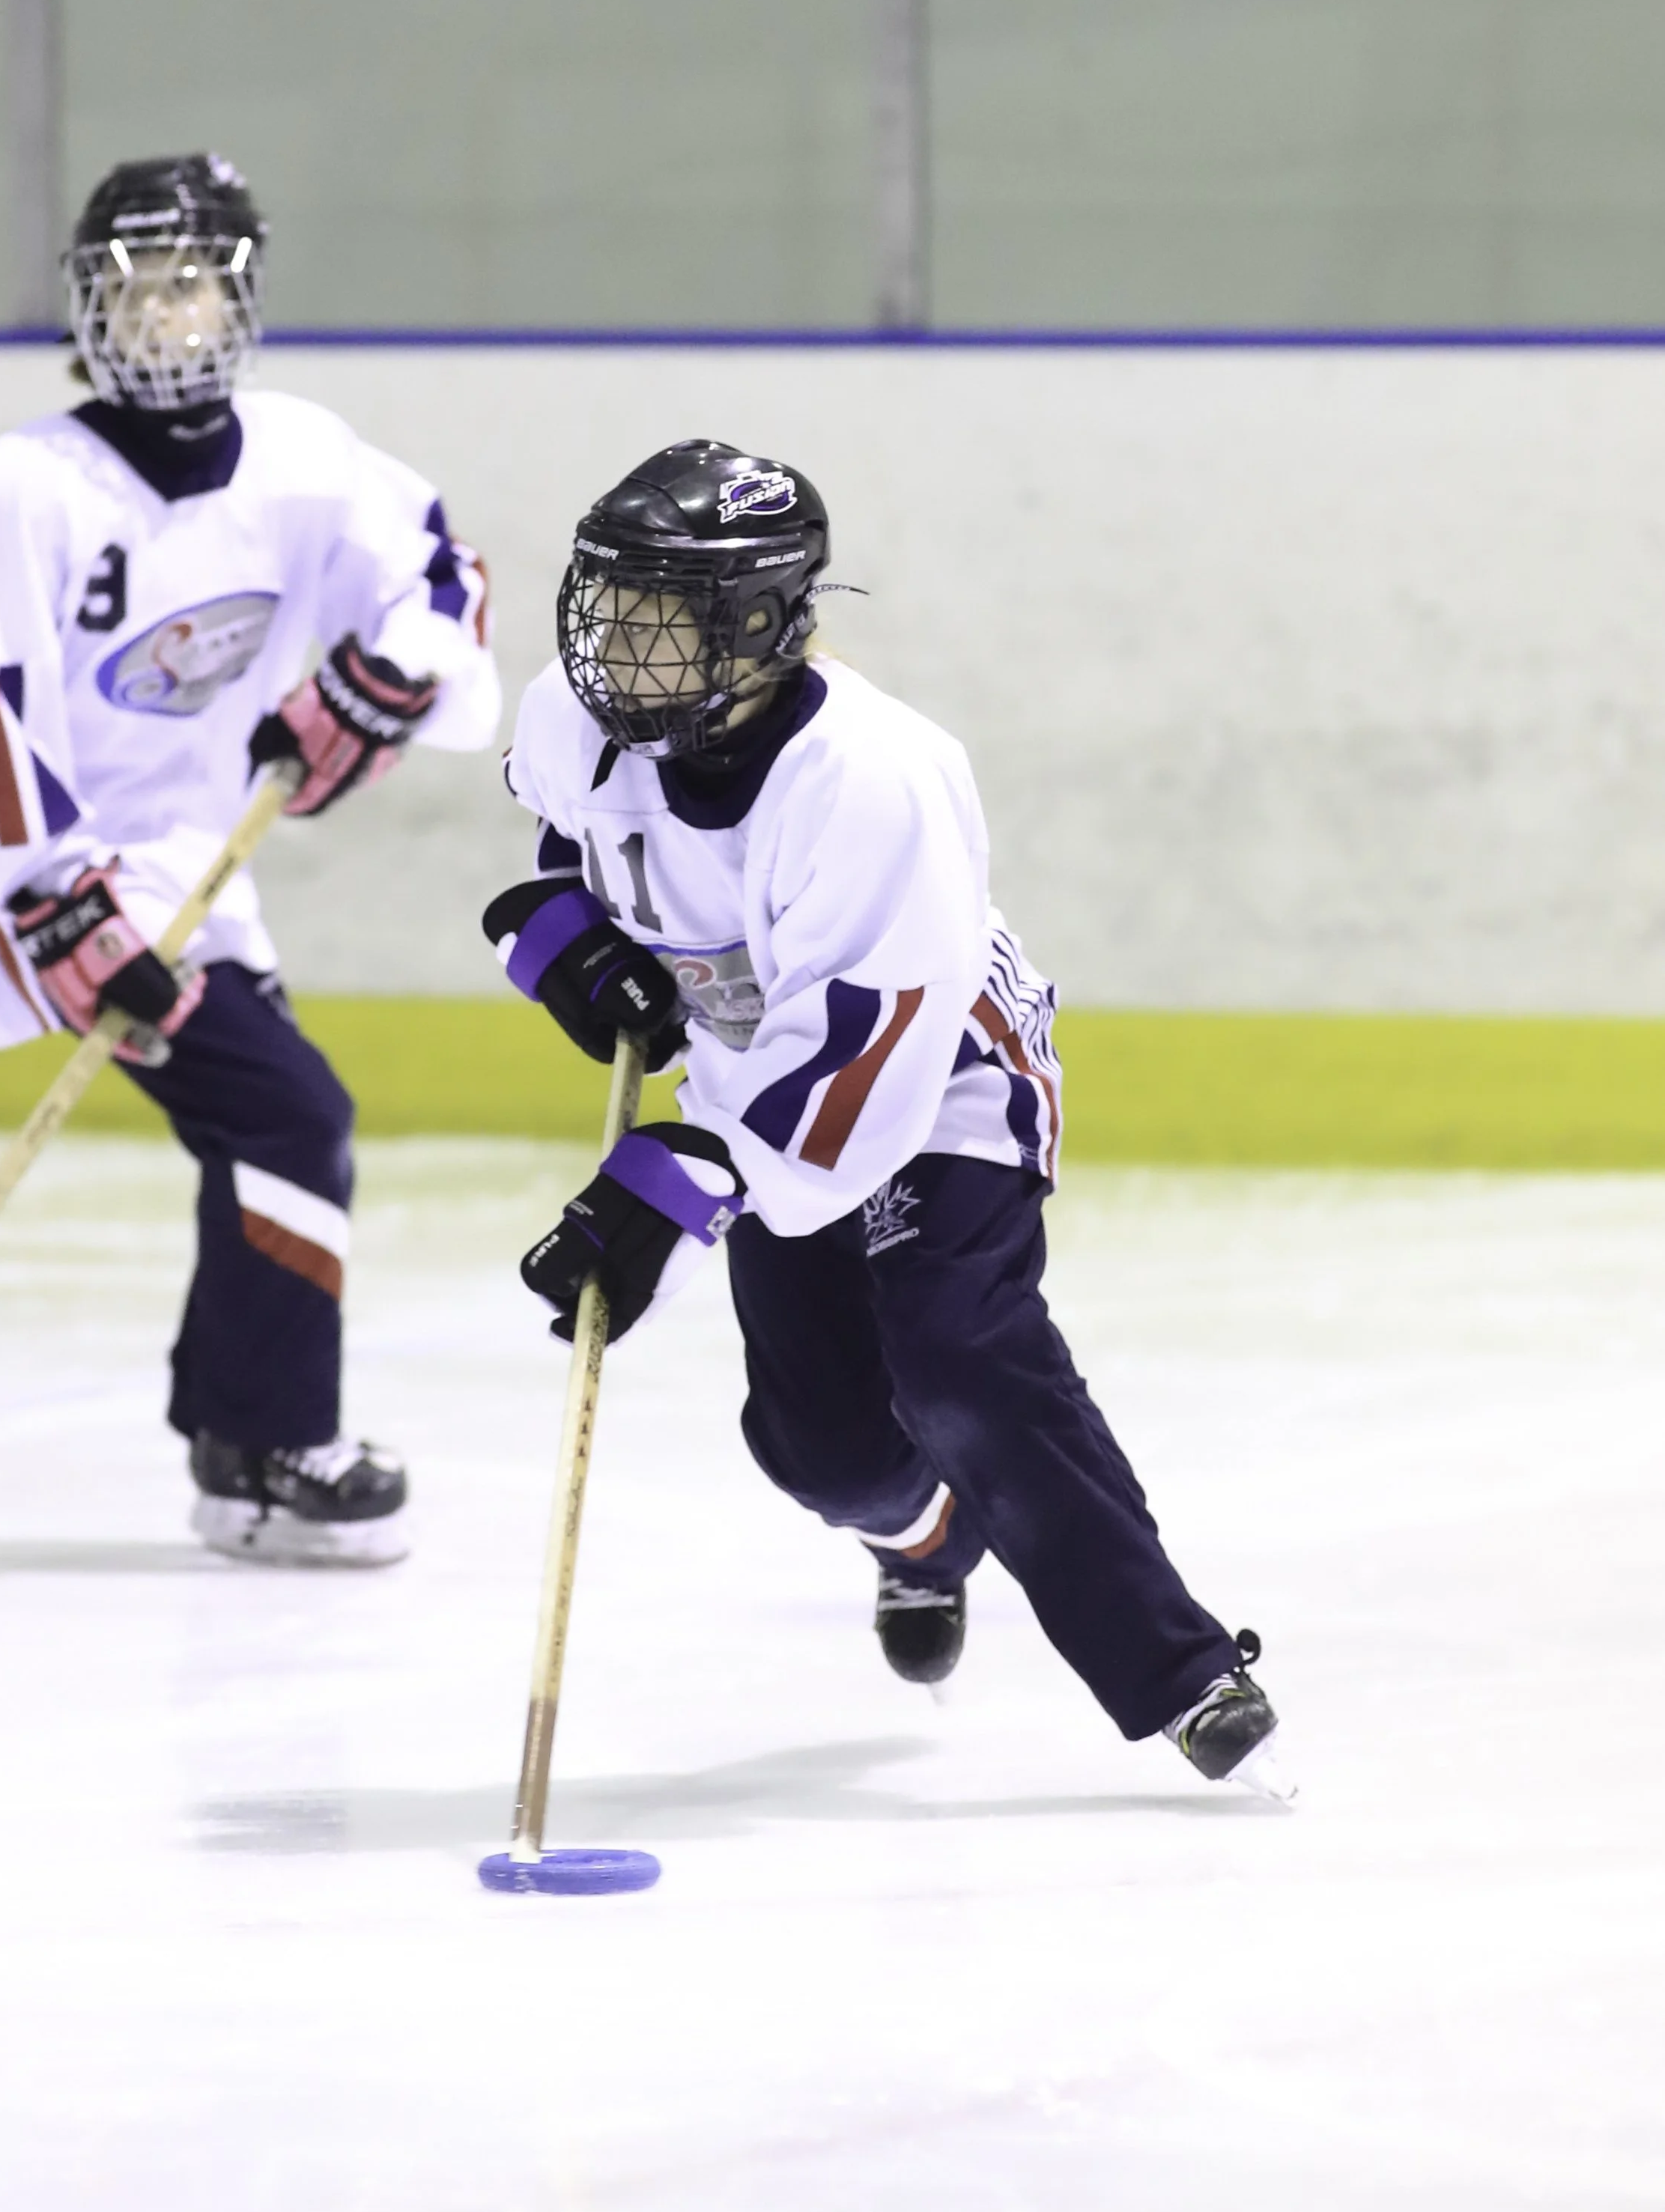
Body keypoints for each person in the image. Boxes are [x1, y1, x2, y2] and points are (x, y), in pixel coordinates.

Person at [482, 438, 1292, 1798]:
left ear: (756, 628)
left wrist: (678, 1185)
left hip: (936, 1080)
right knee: (825, 1451)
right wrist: (563, 935)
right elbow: (572, 842)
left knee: (956, 1355)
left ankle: (1178, 1667)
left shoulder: (875, 783)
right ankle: (922, 1541)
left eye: (658, 619)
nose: (614, 649)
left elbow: (861, 1087)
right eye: (607, 606)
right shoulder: (581, 713)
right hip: (762, 1088)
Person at [0, 154, 499, 1566]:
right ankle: (279, 1443)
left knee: (267, 1130)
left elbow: (442, 579)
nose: (158, 312)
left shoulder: (302, 457)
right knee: (296, 1118)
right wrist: (50, 903)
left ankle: (238, 1445)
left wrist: (387, 679)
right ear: (87, 303)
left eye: (186, 281)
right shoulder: (29, 485)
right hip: (63, 883)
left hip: (202, 874)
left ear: (236, 296)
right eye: (129, 284)